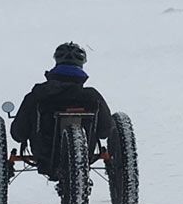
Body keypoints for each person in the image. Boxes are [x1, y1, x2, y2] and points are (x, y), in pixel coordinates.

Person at [11, 42, 112, 177]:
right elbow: (105, 130)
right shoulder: (92, 96)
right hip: (83, 158)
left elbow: (18, 134)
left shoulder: (38, 94)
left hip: (44, 156)